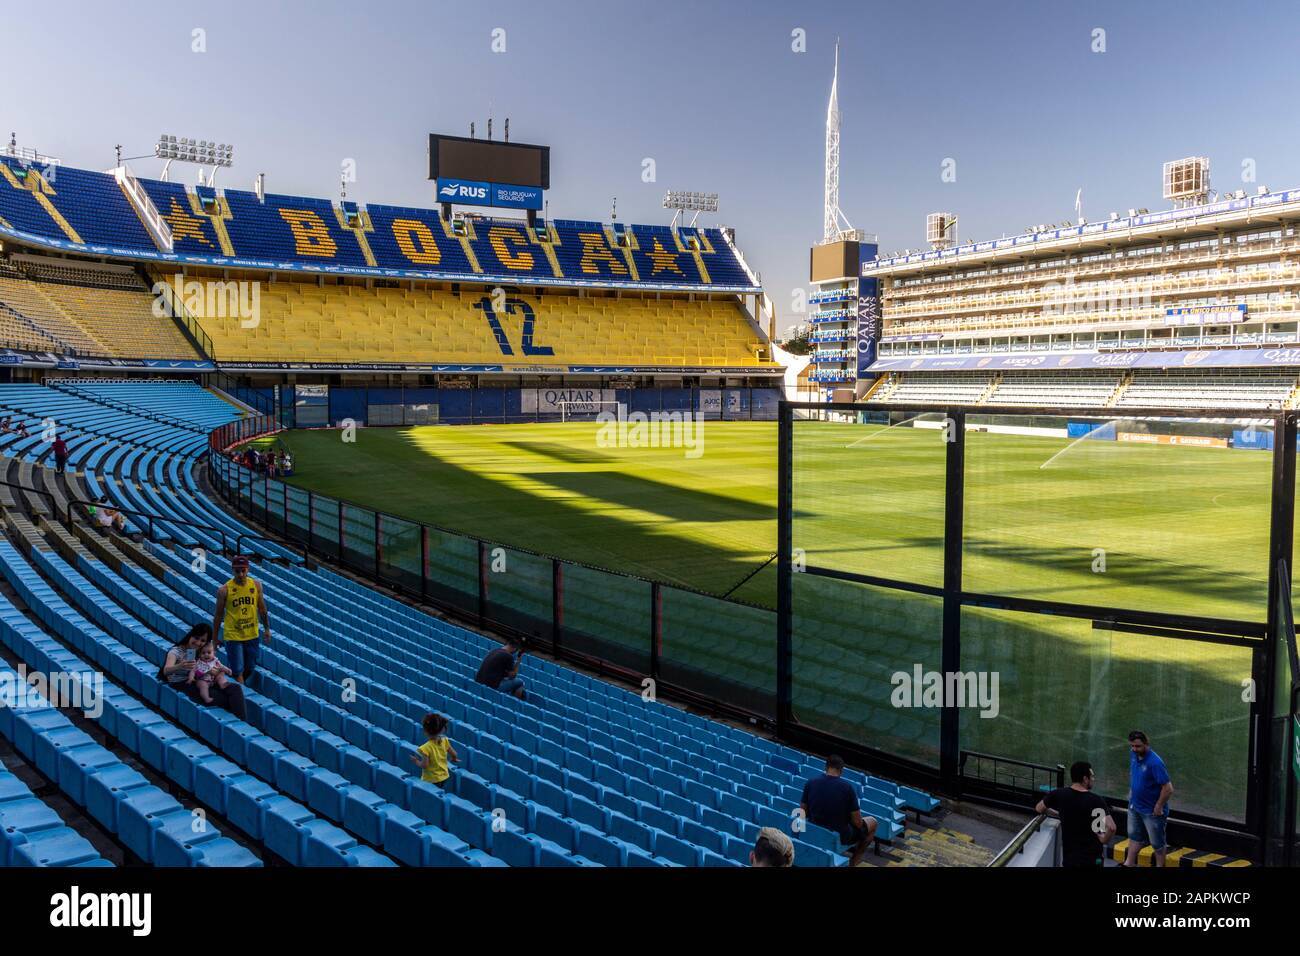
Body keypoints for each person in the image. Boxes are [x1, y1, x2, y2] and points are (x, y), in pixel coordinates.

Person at [800, 754, 877, 867]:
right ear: (841, 771)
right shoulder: (847, 788)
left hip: (814, 829)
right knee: (873, 822)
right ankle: (853, 862)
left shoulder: (810, 783)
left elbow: (802, 812)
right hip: (840, 835)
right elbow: (857, 822)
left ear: (825, 768)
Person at [1035, 761, 1115, 868]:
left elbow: (1039, 808)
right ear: (1085, 779)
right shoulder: (1097, 801)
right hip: (1092, 860)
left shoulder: (1058, 794)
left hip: (1070, 860)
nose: (1093, 779)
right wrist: (1104, 839)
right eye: (1092, 777)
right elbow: (1111, 828)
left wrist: (1060, 814)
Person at [159, 623, 246, 719]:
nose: (198, 642)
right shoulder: (175, 652)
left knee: (236, 688)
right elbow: (166, 671)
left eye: (203, 640)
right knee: (225, 699)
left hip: (201, 678)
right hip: (183, 683)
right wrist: (180, 665)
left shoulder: (201, 651)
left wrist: (216, 672)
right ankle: (237, 724)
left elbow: (210, 662)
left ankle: (242, 722)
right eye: (196, 638)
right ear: (190, 635)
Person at [212, 555, 271, 684]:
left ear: (248, 569)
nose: (240, 574)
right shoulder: (224, 590)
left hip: (251, 633)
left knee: (250, 666)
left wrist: (267, 629)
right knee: (238, 669)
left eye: (243, 570)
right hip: (233, 635)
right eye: (237, 571)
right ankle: (242, 698)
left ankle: (236, 687)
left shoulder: (256, 585)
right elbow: (218, 615)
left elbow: (262, 609)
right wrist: (215, 638)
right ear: (232, 570)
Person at [1124, 731, 1173, 867]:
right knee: (1134, 837)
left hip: (1151, 811)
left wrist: (1158, 806)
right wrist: (1132, 791)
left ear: (1146, 744)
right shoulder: (1133, 754)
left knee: (1157, 843)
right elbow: (1134, 773)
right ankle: (1129, 863)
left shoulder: (1155, 762)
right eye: (1132, 746)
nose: (1134, 749)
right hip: (1135, 806)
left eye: (1138, 746)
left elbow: (1168, 788)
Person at [410, 713, 459, 789]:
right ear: (442, 729)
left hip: (431, 779)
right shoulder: (445, 740)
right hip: (444, 776)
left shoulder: (425, 748)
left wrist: (416, 761)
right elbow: (454, 753)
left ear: (425, 731)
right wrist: (454, 758)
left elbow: (424, 765)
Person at [188, 639, 234, 705]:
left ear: (214, 653)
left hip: (213, 680)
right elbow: (193, 671)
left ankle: (222, 684)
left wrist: (227, 670)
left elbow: (221, 666)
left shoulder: (215, 661)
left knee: (221, 674)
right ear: (199, 654)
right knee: (203, 686)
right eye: (203, 653)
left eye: (209, 652)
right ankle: (206, 698)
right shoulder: (198, 663)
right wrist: (191, 678)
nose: (206, 655)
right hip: (203, 679)